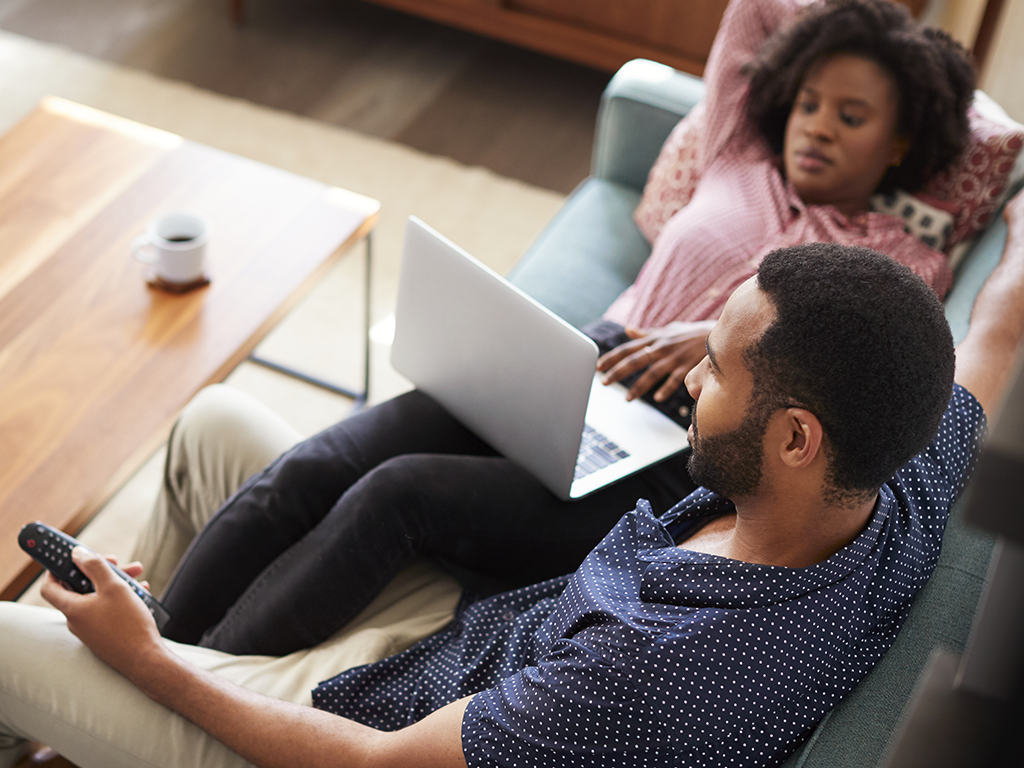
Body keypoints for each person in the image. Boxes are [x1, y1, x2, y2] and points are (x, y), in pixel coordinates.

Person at [127, 0, 981, 659]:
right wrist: (864, 27)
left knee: (397, 493)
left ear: (901, 142)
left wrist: (710, 337)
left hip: (684, 441)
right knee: (319, 464)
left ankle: (183, 681)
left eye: (852, 116)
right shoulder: (737, 156)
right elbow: (753, 14)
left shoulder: (893, 257)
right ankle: (153, 636)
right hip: (586, 361)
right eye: (808, 103)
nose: (818, 125)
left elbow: (864, 358)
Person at [2, 233, 1023, 768]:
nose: (687, 381)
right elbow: (998, 328)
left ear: (796, 439)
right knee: (214, 424)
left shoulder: (657, 674)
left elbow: (377, 765)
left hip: (353, 728)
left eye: (714, 369)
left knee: (11, 642)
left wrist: (145, 661)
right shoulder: (898, 480)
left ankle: (126, 676)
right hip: (463, 638)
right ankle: (110, 696)